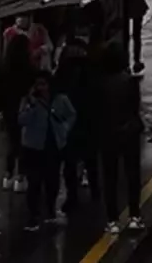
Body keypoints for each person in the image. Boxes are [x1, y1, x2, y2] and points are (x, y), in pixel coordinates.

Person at [18, 70, 76, 231]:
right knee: (34, 182)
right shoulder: (29, 102)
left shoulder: (60, 99)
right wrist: (31, 104)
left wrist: (64, 129)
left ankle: (50, 209)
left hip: (53, 146)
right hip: (33, 147)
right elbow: (21, 120)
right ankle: (33, 215)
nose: (41, 88)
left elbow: (71, 115)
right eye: (38, 84)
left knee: (52, 180)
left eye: (44, 84)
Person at [97, 43, 146, 234]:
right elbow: (135, 107)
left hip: (108, 134)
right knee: (132, 174)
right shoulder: (129, 82)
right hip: (129, 133)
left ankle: (112, 220)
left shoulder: (100, 82)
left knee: (110, 177)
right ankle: (135, 215)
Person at [54, 35, 99, 210]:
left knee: (69, 164)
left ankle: (72, 197)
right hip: (87, 123)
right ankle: (95, 191)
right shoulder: (91, 73)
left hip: (69, 126)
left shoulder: (62, 75)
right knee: (90, 160)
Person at [0, 31, 35, 192]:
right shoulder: (27, 68)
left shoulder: (5, 68)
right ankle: (21, 177)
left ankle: (7, 174)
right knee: (23, 142)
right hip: (23, 107)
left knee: (11, 141)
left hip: (8, 108)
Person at [124, 0, 150, 77]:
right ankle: (137, 60)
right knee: (137, 35)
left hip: (124, 4)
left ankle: (125, 62)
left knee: (124, 35)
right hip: (138, 4)